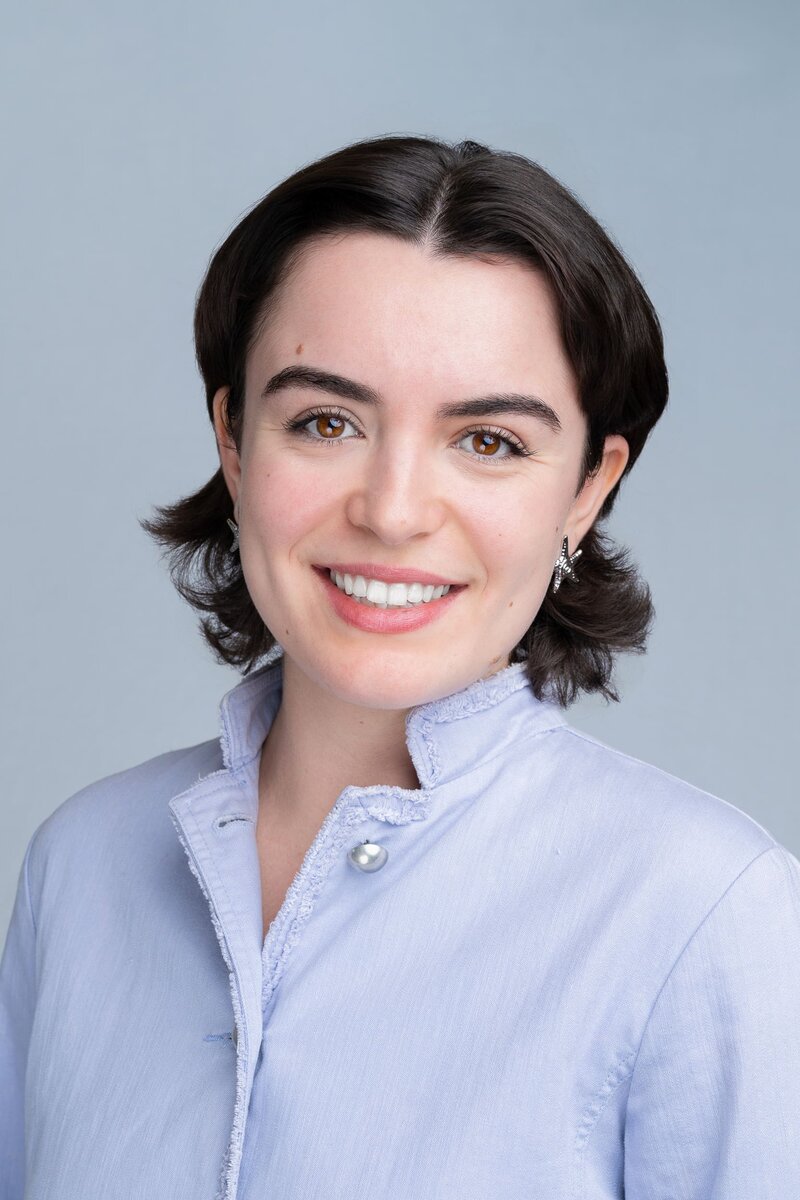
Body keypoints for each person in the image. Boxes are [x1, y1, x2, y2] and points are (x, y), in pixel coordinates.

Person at [1, 134, 798, 1199]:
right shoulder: (81, 867)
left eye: (488, 442)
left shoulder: (703, 914)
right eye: (325, 422)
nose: (391, 510)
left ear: (585, 488)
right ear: (234, 441)